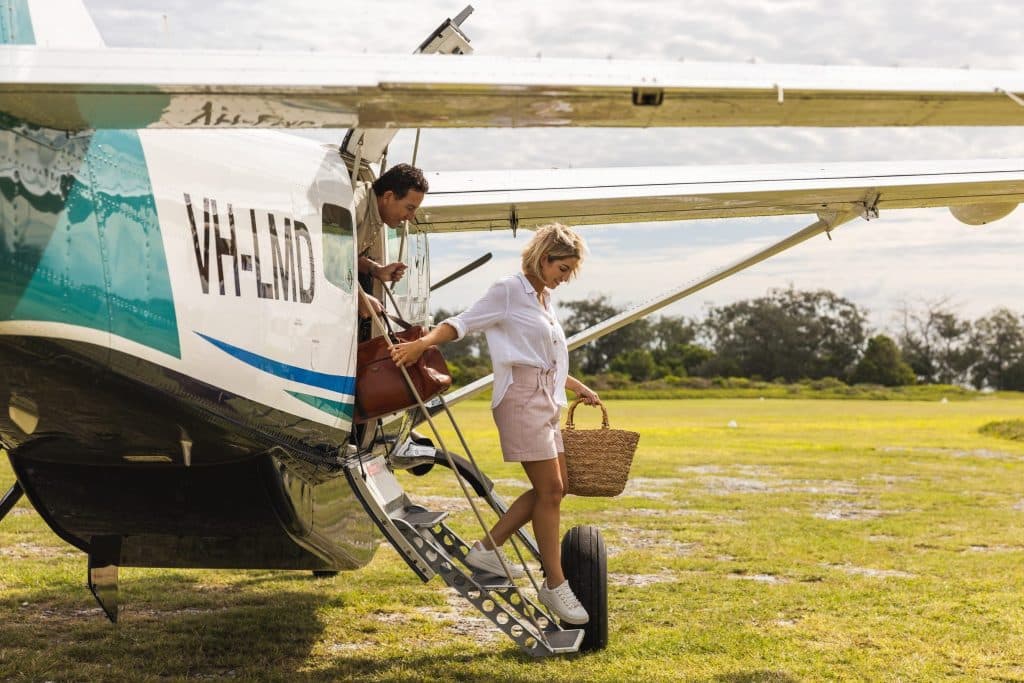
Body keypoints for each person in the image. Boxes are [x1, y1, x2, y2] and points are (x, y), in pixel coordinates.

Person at [390, 223, 600, 625]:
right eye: (564, 267)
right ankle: (555, 583)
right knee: (551, 490)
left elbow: (543, 355)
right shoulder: (509, 290)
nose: (567, 277)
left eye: (572, 269)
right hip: (521, 399)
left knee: (558, 487)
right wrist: (422, 344)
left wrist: (575, 386)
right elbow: (463, 322)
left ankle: (488, 547)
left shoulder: (544, 298)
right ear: (543, 259)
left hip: (546, 396)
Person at [354, 163, 429, 318]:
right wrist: (359, 297)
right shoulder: (355, 206)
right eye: (409, 208)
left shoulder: (376, 209)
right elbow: (323, 255)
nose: (411, 216)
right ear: (388, 197)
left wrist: (376, 270)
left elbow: (344, 255)